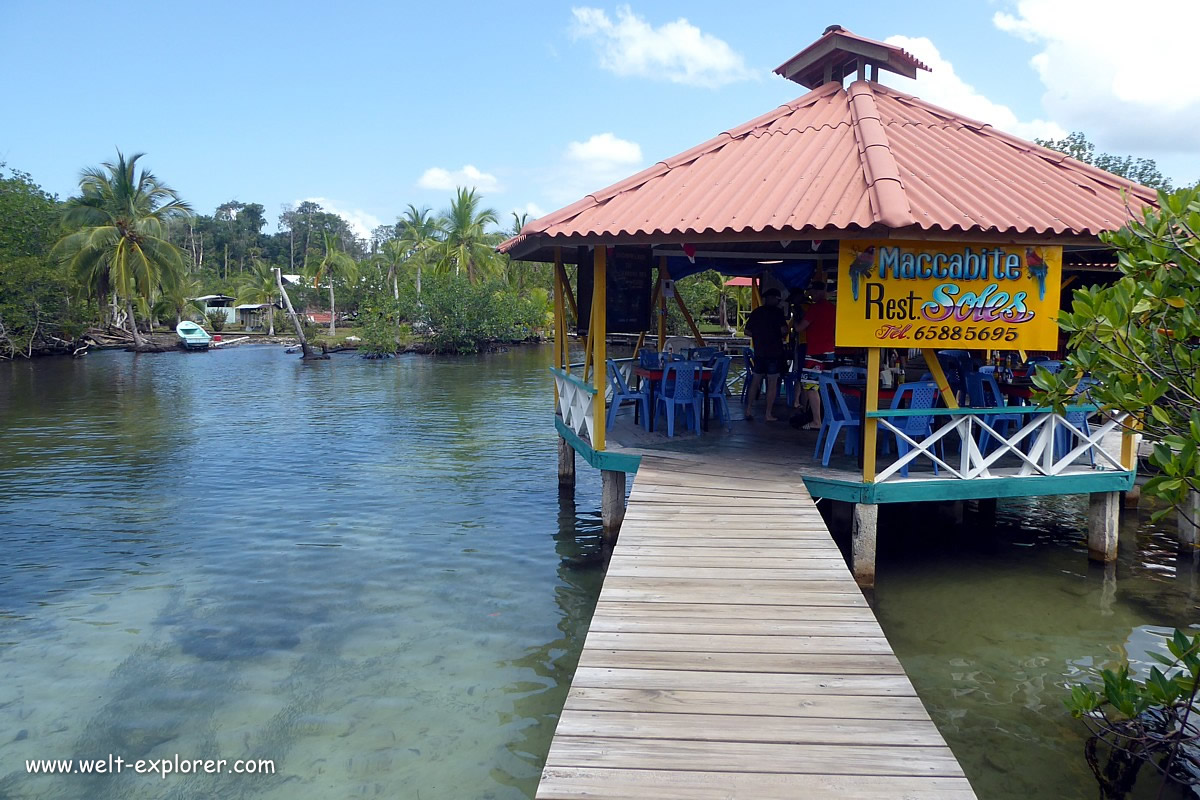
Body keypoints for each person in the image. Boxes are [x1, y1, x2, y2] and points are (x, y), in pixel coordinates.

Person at [743, 288, 788, 422]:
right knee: (772, 383)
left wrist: (758, 336)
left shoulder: (757, 312)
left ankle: (748, 410)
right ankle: (768, 413)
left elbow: (747, 331)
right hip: (774, 352)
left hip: (759, 352)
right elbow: (784, 330)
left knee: (755, 380)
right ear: (774, 299)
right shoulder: (778, 313)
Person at [801, 287, 836, 430]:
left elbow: (800, 327)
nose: (811, 296)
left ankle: (817, 420)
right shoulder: (833, 309)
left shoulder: (814, 309)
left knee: (810, 386)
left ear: (820, 292)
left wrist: (797, 320)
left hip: (815, 351)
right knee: (826, 386)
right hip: (830, 350)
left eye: (813, 293)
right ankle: (828, 417)